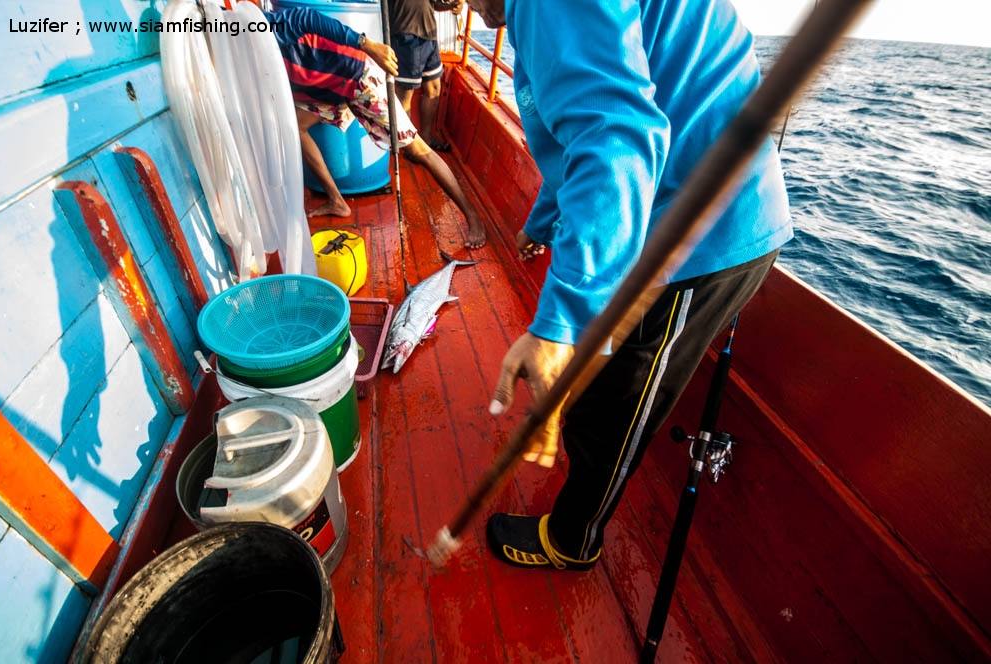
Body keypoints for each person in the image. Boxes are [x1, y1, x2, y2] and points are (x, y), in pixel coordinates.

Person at [467, 0, 793, 570]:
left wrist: (561, 323)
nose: (467, 10)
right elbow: (581, 132)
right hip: (656, 209)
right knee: (595, 386)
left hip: (699, 235)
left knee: (616, 405)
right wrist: (543, 220)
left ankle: (572, 541)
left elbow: (615, 134)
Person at [265, 6, 486, 248]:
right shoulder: (236, 48)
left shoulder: (255, 27)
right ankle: (337, 200)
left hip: (357, 76)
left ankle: (472, 215)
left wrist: (368, 44)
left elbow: (307, 16)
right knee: (297, 125)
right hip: (325, 89)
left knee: (418, 150)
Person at [390, 0, 463, 152]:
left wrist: (450, 6)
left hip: (429, 36)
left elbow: (433, 4)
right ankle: (410, 147)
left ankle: (426, 138)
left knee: (434, 88)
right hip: (405, 35)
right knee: (405, 94)